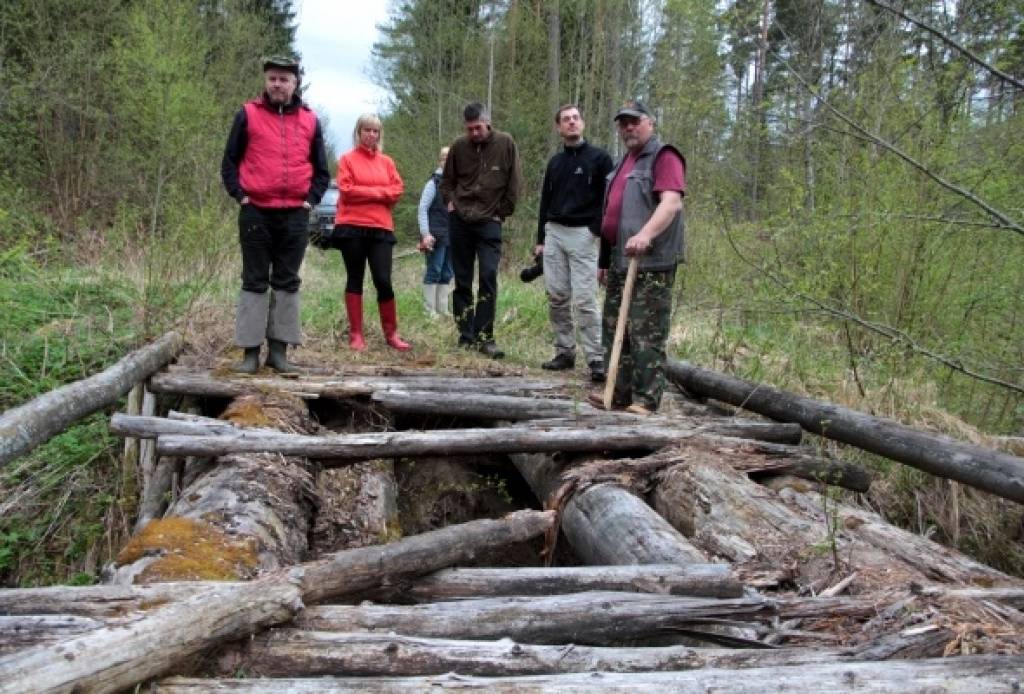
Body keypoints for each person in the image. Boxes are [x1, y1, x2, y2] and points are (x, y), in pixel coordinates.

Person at [221, 54, 330, 374]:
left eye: (284, 79)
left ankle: (279, 352)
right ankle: (250, 354)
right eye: (272, 78)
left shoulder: (311, 120)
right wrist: (240, 196)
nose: (277, 84)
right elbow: (229, 162)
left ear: (295, 84)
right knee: (254, 280)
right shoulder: (247, 114)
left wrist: (310, 200)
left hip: (295, 214)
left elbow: (322, 171)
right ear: (265, 82)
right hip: (255, 212)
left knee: (287, 281)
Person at [591, 100, 686, 415]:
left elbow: (671, 202)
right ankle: (618, 393)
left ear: (650, 123)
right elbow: (611, 215)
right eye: (623, 123)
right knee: (615, 327)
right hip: (619, 258)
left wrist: (646, 234)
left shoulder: (664, 156)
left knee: (646, 331)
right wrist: (604, 260)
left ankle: (645, 399)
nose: (628, 128)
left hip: (652, 261)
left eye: (634, 122)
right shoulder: (622, 164)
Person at [535, 105, 614, 383]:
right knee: (557, 296)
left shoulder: (601, 158)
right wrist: (540, 239)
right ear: (559, 127)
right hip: (554, 231)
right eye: (566, 120)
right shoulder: (555, 163)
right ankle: (565, 352)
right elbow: (545, 200)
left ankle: (596, 358)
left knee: (585, 299)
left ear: (583, 123)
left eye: (575, 118)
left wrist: (596, 230)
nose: (571, 123)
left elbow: (609, 199)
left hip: (584, 234)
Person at [439, 103, 522, 359]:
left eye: (478, 127)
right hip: (461, 220)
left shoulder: (505, 143)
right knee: (462, 279)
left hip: (489, 221)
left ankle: (486, 337)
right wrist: (450, 203)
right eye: (469, 129)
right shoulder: (458, 147)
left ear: (487, 122)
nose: (474, 133)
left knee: (487, 276)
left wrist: (502, 212)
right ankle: (466, 335)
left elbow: (515, 182)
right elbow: (447, 181)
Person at [333, 113, 411, 352]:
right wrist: (380, 193)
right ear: (358, 132)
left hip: (381, 228)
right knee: (355, 278)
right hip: (352, 226)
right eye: (367, 130)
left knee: (383, 280)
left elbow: (397, 190)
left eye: (376, 131)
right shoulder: (346, 160)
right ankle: (356, 334)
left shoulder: (387, 162)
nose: (371, 135)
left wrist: (366, 191)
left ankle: (392, 334)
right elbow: (346, 190)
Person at [416, 146, 453, 318]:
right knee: (434, 270)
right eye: (444, 157)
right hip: (434, 236)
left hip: (451, 236)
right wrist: (425, 234)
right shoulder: (432, 183)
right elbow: (423, 208)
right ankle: (429, 309)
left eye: (450, 157)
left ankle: (443, 309)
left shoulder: (457, 184)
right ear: (440, 160)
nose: (447, 160)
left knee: (447, 272)